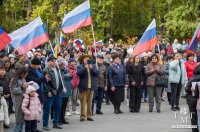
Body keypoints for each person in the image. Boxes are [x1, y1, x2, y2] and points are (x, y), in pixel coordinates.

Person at [42, 55, 66, 131]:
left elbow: (61, 79)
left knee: (57, 107)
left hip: (58, 91)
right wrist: (48, 91)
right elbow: (45, 83)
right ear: (49, 62)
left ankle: (55, 123)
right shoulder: (46, 70)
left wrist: (63, 87)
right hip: (51, 92)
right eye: (53, 61)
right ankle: (45, 124)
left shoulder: (57, 69)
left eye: (55, 61)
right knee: (47, 108)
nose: (54, 62)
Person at [77, 55, 99, 121]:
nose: (86, 60)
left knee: (90, 102)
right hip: (83, 87)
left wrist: (91, 68)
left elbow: (96, 74)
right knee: (83, 102)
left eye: (88, 59)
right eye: (85, 59)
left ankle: (89, 115)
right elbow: (79, 73)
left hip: (91, 87)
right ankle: (83, 116)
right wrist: (85, 68)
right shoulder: (80, 66)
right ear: (83, 60)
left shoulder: (93, 66)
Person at [10, 68, 28, 132]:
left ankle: (20, 130)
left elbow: (24, 86)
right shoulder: (14, 79)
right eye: (24, 74)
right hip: (17, 99)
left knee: (22, 117)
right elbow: (13, 90)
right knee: (19, 116)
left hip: (23, 98)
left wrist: (27, 85)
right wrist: (22, 87)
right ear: (21, 73)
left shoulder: (23, 78)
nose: (25, 76)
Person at [186, 65, 200, 132]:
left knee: (193, 117)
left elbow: (186, 89)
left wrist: (190, 90)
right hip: (198, 99)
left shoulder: (192, 78)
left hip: (192, 99)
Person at [57, 57, 71, 125]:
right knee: (60, 105)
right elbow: (60, 77)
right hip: (61, 90)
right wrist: (66, 75)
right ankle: (59, 119)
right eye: (62, 64)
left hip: (67, 89)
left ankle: (63, 118)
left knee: (64, 105)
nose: (63, 65)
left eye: (64, 64)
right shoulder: (58, 70)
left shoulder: (65, 69)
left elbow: (69, 77)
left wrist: (71, 75)